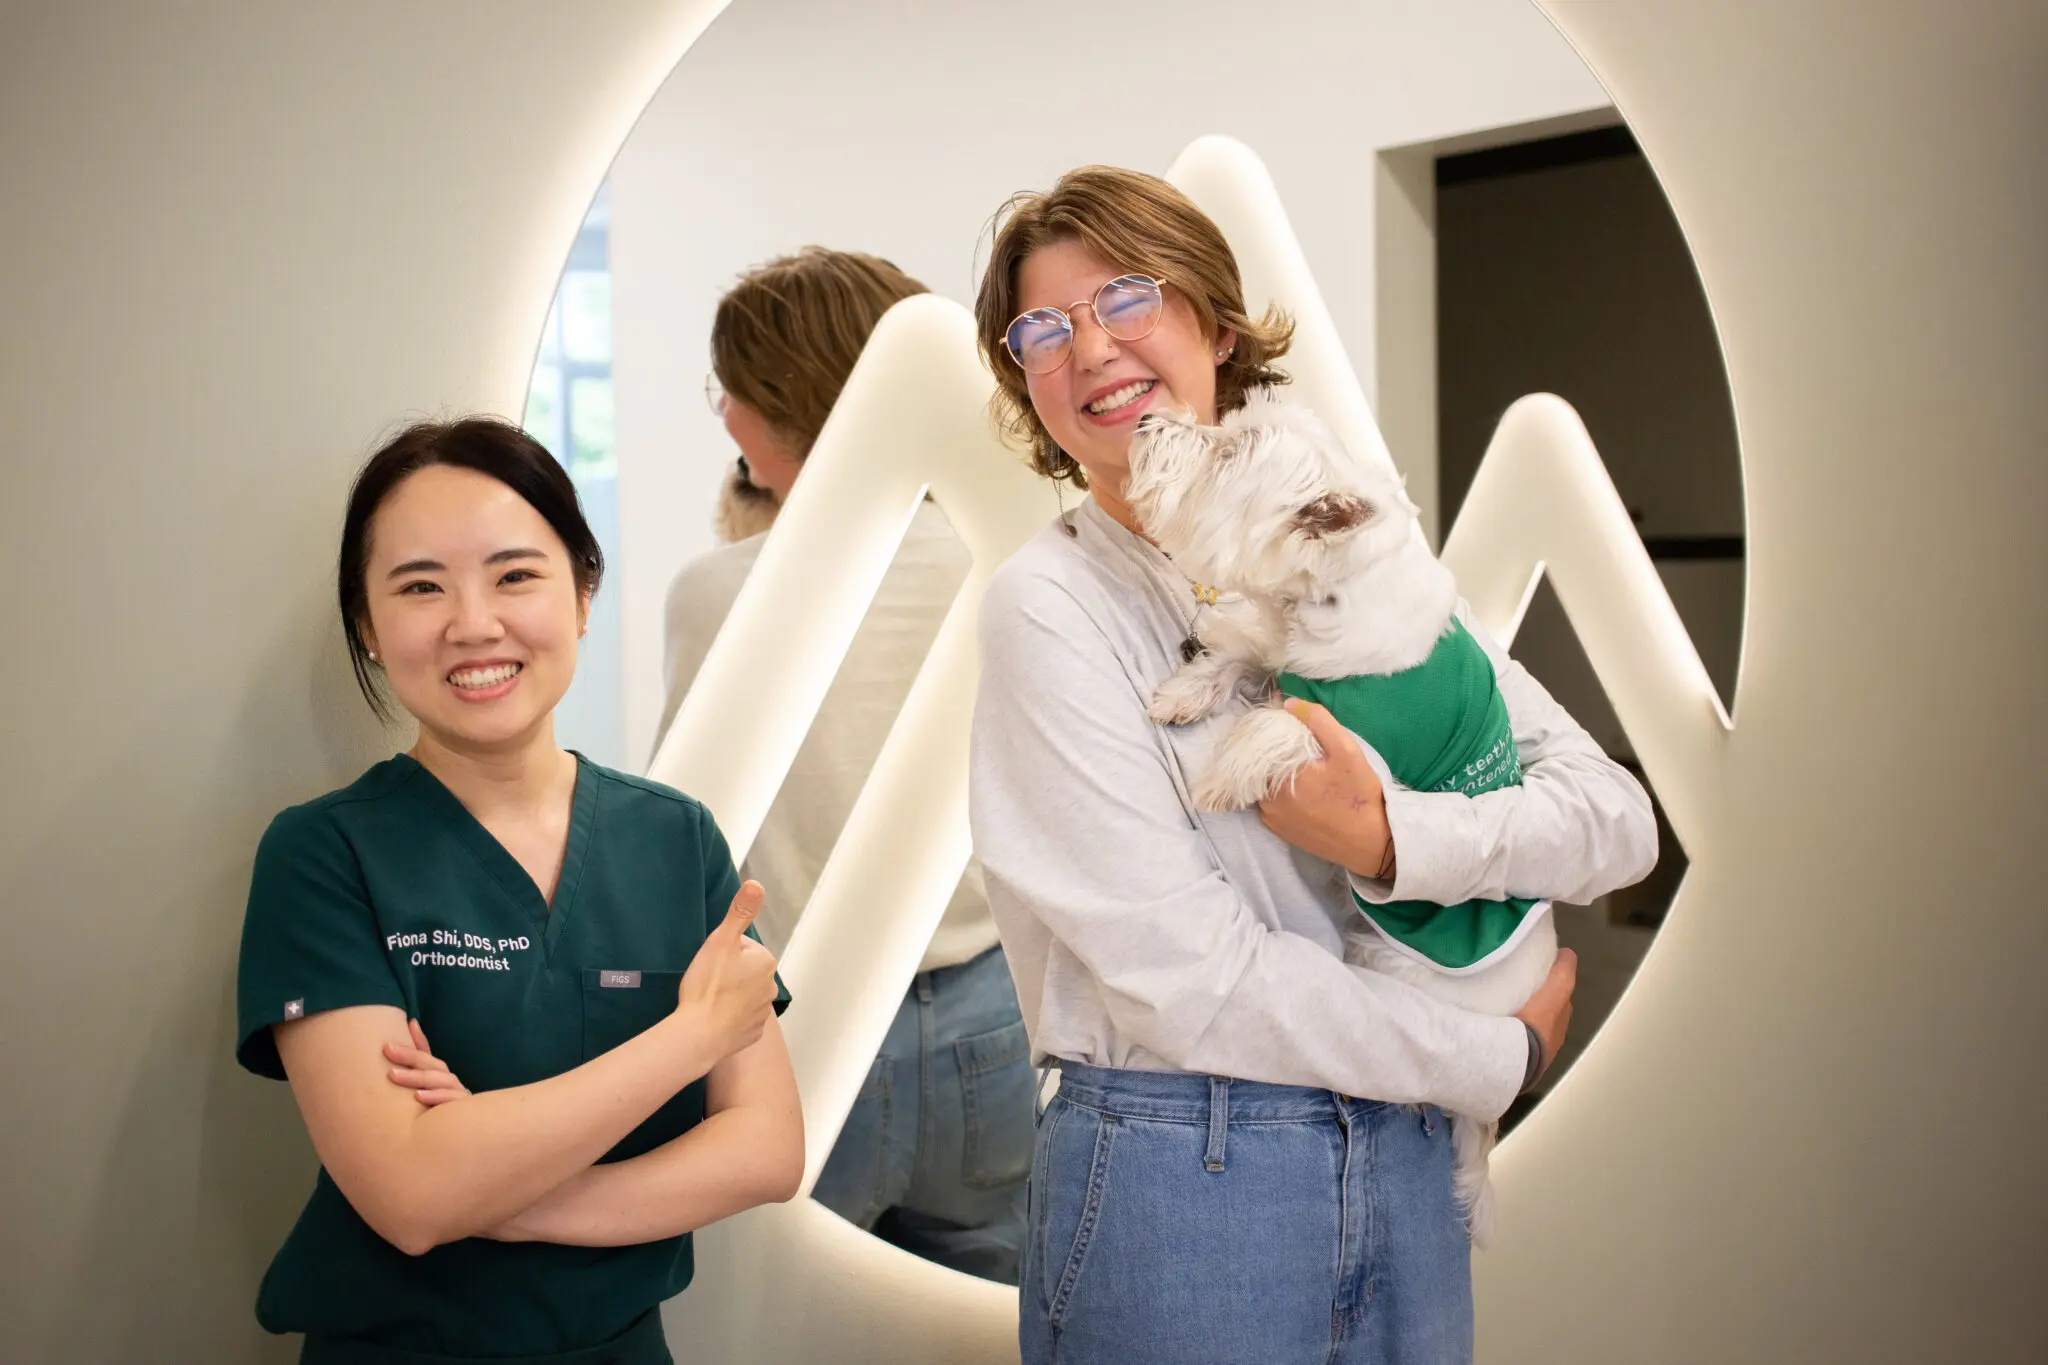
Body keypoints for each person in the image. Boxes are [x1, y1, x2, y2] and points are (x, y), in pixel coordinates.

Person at [968, 166, 1659, 1364]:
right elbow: (1191, 979)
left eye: (1126, 298)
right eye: (1042, 329)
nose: (1089, 350)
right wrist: (1496, 1057)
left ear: (1216, 325)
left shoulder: (1338, 531)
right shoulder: (1048, 608)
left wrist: (1393, 841)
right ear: (1025, 382)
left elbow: (1611, 818)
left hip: (1400, 1153)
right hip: (1186, 1167)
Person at [235, 418, 801, 1365]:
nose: (473, 622)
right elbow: (412, 1198)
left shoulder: (673, 836)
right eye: (420, 586)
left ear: (583, 595)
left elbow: (765, 1149)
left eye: (514, 574)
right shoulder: (323, 855)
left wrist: (510, 1195)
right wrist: (690, 1039)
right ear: (368, 626)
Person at [654, 247, 1035, 1284]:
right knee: (994, 1325)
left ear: (774, 405)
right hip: (995, 1019)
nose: (722, 419)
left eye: (726, 393)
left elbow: (679, 834)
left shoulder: (716, 593)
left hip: (799, 1030)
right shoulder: (1008, 562)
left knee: (788, 1322)